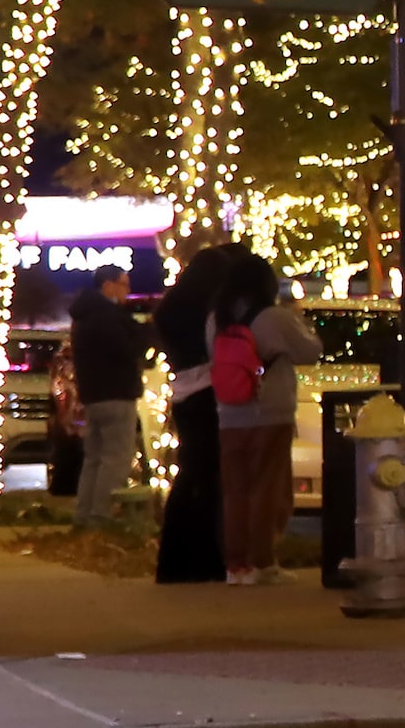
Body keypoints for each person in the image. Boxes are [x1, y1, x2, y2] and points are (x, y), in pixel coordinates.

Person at [210, 251, 322, 586]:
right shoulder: (275, 318)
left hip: (229, 413)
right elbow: (310, 352)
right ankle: (262, 560)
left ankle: (236, 565)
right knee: (266, 486)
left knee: (235, 489)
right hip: (270, 410)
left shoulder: (216, 319)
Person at [151, 245, 235, 583]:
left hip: (184, 392)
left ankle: (176, 560)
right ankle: (204, 558)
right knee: (207, 478)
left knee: (190, 476)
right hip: (207, 393)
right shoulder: (209, 311)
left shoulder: (171, 309)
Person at [65, 265, 149, 528]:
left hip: (93, 396)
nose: (128, 291)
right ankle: (101, 516)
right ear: (108, 285)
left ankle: (85, 514)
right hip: (117, 393)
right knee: (116, 457)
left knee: (94, 458)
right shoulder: (109, 317)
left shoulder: (84, 316)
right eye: (124, 285)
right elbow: (127, 349)